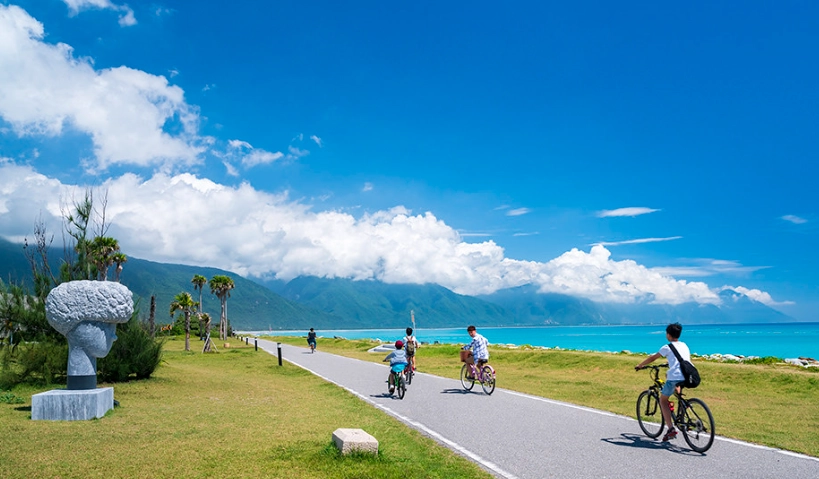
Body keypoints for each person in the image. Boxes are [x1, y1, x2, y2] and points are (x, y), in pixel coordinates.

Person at [635, 322, 691, 442]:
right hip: (687, 375)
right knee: (672, 381)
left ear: (669, 335)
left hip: (675, 376)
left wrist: (640, 365)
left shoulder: (667, 347)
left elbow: (653, 358)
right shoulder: (684, 345)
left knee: (662, 400)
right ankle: (682, 409)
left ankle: (671, 429)